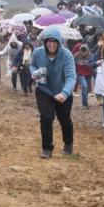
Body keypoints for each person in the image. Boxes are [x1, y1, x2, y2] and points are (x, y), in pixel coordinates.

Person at [29, 27, 76, 158]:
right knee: (46, 117)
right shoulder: (37, 53)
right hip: (44, 90)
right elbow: (32, 65)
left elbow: (71, 77)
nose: (51, 44)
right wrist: (34, 72)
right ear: (44, 42)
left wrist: (65, 93)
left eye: (54, 41)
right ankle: (47, 149)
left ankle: (68, 144)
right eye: (48, 41)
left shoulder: (67, 55)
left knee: (64, 118)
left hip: (62, 91)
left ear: (59, 42)